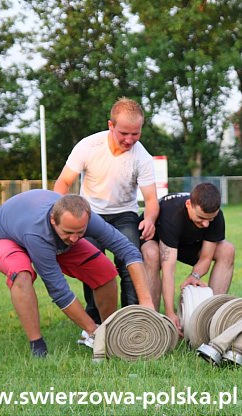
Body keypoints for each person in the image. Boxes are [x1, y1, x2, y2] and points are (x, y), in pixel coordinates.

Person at [0, 190, 154, 357]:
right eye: (68, 232)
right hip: (4, 238)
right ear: (53, 220)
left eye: (80, 232)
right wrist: (92, 331)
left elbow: (128, 250)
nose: (74, 239)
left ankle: (108, 331)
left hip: (48, 235)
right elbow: (59, 291)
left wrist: (147, 302)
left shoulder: (84, 218)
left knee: (104, 271)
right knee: (22, 275)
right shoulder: (38, 233)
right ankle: (37, 345)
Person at [53, 97, 159, 324]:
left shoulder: (142, 157)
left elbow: (151, 200)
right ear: (111, 125)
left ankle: (132, 319)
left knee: (130, 260)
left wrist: (149, 219)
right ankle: (96, 322)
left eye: (136, 134)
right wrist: (62, 217)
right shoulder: (88, 146)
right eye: (124, 133)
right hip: (90, 215)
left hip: (124, 215)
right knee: (92, 262)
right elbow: (62, 184)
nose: (130, 140)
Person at [141, 182, 235, 331]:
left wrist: (194, 276)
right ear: (188, 204)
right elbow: (168, 270)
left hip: (188, 242)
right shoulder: (172, 215)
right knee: (151, 253)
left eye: (210, 219)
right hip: (158, 240)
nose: (206, 224)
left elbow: (205, 258)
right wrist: (170, 313)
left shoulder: (215, 217)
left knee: (227, 249)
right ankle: (152, 319)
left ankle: (212, 316)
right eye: (201, 217)